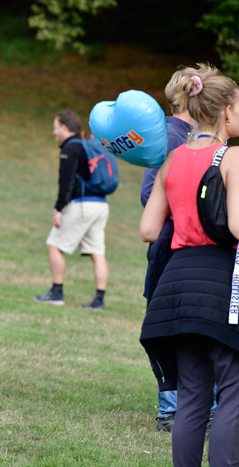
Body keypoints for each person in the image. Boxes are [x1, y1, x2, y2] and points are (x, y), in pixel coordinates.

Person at [140, 63, 239, 466]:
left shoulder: (174, 157)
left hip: (176, 285)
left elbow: (148, 228)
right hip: (220, 284)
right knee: (233, 389)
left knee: (194, 394)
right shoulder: (231, 158)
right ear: (226, 111)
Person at [140, 69, 196, 433]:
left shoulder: (194, 137)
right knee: (168, 329)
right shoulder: (170, 136)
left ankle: (190, 406)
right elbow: (150, 195)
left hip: (184, 248)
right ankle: (173, 408)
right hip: (173, 248)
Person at [33, 110, 109, 309]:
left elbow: (65, 181)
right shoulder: (86, 146)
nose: (54, 132)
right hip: (101, 204)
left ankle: (56, 293)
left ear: (65, 127)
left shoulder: (71, 148)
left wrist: (59, 208)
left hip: (82, 204)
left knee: (54, 244)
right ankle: (99, 300)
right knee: (97, 251)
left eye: (55, 127)